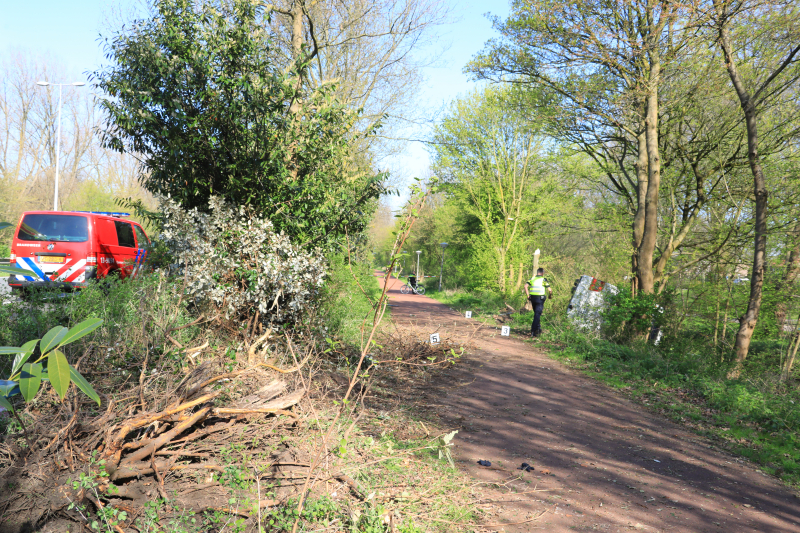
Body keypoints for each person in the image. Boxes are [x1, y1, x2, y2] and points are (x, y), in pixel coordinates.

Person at [525, 267, 552, 337]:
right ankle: (533, 331)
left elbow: (525, 286)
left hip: (533, 298)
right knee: (537, 314)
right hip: (540, 299)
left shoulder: (532, 278)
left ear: (537, 273)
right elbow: (550, 290)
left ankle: (538, 329)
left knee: (537, 314)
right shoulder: (543, 279)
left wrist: (528, 295)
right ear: (542, 273)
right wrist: (550, 295)